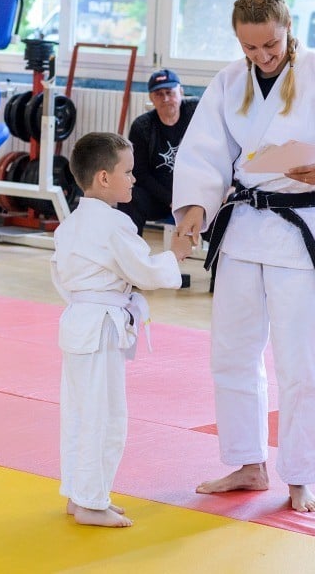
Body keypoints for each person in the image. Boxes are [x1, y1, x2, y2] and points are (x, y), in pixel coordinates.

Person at [172, 0, 315, 513]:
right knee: (232, 353)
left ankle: (299, 476)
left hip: (303, 228)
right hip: (245, 226)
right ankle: (248, 462)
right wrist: (194, 212)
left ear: (288, 28)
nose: (262, 56)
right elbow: (204, 150)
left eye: (270, 44)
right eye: (250, 47)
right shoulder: (229, 82)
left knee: (300, 363)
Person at [51, 131, 193, 528]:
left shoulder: (72, 223)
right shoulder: (113, 224)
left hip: (79, 322)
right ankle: (92, 501)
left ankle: (80, 495)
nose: (134, 179)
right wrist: (176, 254)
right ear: (103, 178)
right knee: (106, 415)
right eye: (127, 172)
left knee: (79, 412)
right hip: (100, 329)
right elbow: (144, 271)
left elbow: (61, 276)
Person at [117, 69, 198, 235]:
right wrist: (171, 199)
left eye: (170, 92)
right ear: (151, 98)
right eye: (159, 94)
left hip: (195, 194)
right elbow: (140, 173)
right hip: (161, 198)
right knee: (130, 197)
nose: (166, 99)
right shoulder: (142, 127)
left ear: (181, 92)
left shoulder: (196, 112)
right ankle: (131, 252)